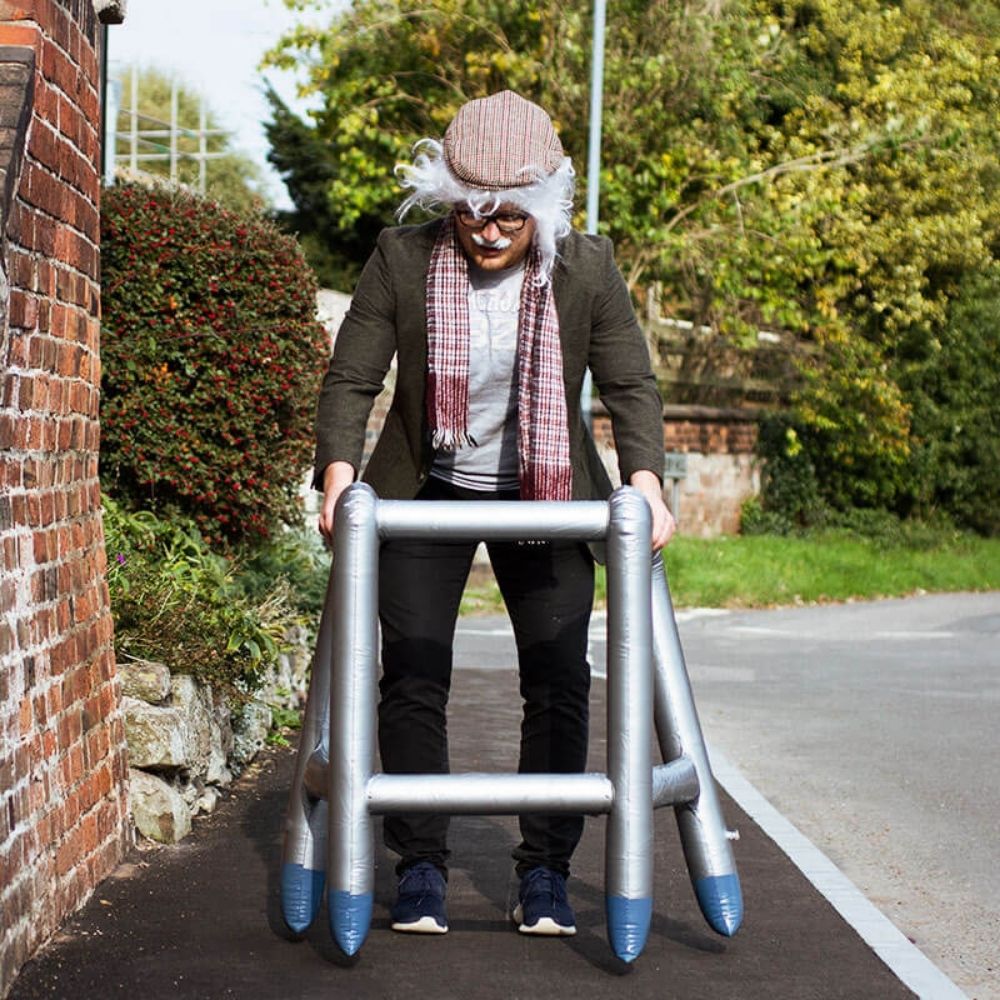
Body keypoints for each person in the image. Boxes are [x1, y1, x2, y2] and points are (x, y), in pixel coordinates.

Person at [314, 90, 674, 938]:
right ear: (449, 199)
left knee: (557, 676)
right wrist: (336, 477)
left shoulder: (587, 265)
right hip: (423, 484)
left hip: (547, 493)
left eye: (510, 214)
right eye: (472, 211)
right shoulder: (402, 258)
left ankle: (545, 872)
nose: (488, 229)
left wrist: (646, 482)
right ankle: (421, 868)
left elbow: (630, 384)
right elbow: (351, 377)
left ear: (543, 205)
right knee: (411, 669)